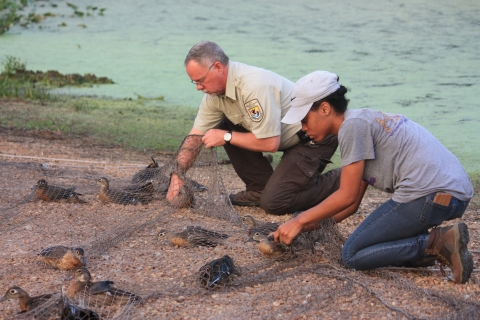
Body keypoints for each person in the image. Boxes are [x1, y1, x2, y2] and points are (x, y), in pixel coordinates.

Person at [273, 70, 474, 284]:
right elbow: (352, 205)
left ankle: (437, 244)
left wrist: (299, 219)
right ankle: (426, 251)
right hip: (454, 197)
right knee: (368, 243)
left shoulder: (352, 127)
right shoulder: (362, 122)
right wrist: (305, 226)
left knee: (352, 255)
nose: (303, 129)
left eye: (304, 120)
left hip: (429, 196)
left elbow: (346, 196)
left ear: (324, 108)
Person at [166, 41, 342, 215]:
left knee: (274, 203)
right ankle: (259, 187)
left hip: (314, 138)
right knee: (223, 125)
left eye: (201, 80)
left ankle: (345, 180)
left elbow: (270, 143)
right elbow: (195, 137)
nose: (198, 88)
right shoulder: (213, 97)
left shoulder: (254, 85)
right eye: (194, 83)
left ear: (218, 67)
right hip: (285, 138)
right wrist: (177, 176)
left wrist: (226, 137)